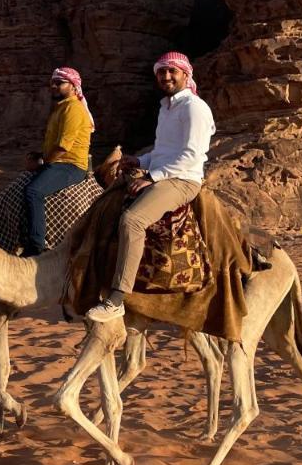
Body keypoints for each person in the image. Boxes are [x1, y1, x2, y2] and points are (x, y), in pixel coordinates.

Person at [85, 51, 216, 322]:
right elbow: (163, 150)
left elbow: (190, 155)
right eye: (161, 72)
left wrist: (153, 177)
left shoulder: (194, 107)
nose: (166, 76)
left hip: (182, 180)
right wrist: (139, 160)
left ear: (185, 74)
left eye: (172, 71)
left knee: (132, 220)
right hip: (164, 172)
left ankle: (117, 298)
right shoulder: (167, 108)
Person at [20, 66, 95, 256]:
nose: (54, 86)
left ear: (73, 86)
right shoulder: (61, 107)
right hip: (58, 162)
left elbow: (63, 147)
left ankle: (36, 244)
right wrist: (38, 155)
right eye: (52, 83)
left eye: (59, 83)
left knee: (33, 191)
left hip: (71, 165)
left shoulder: (74, 108)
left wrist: (42, 163)